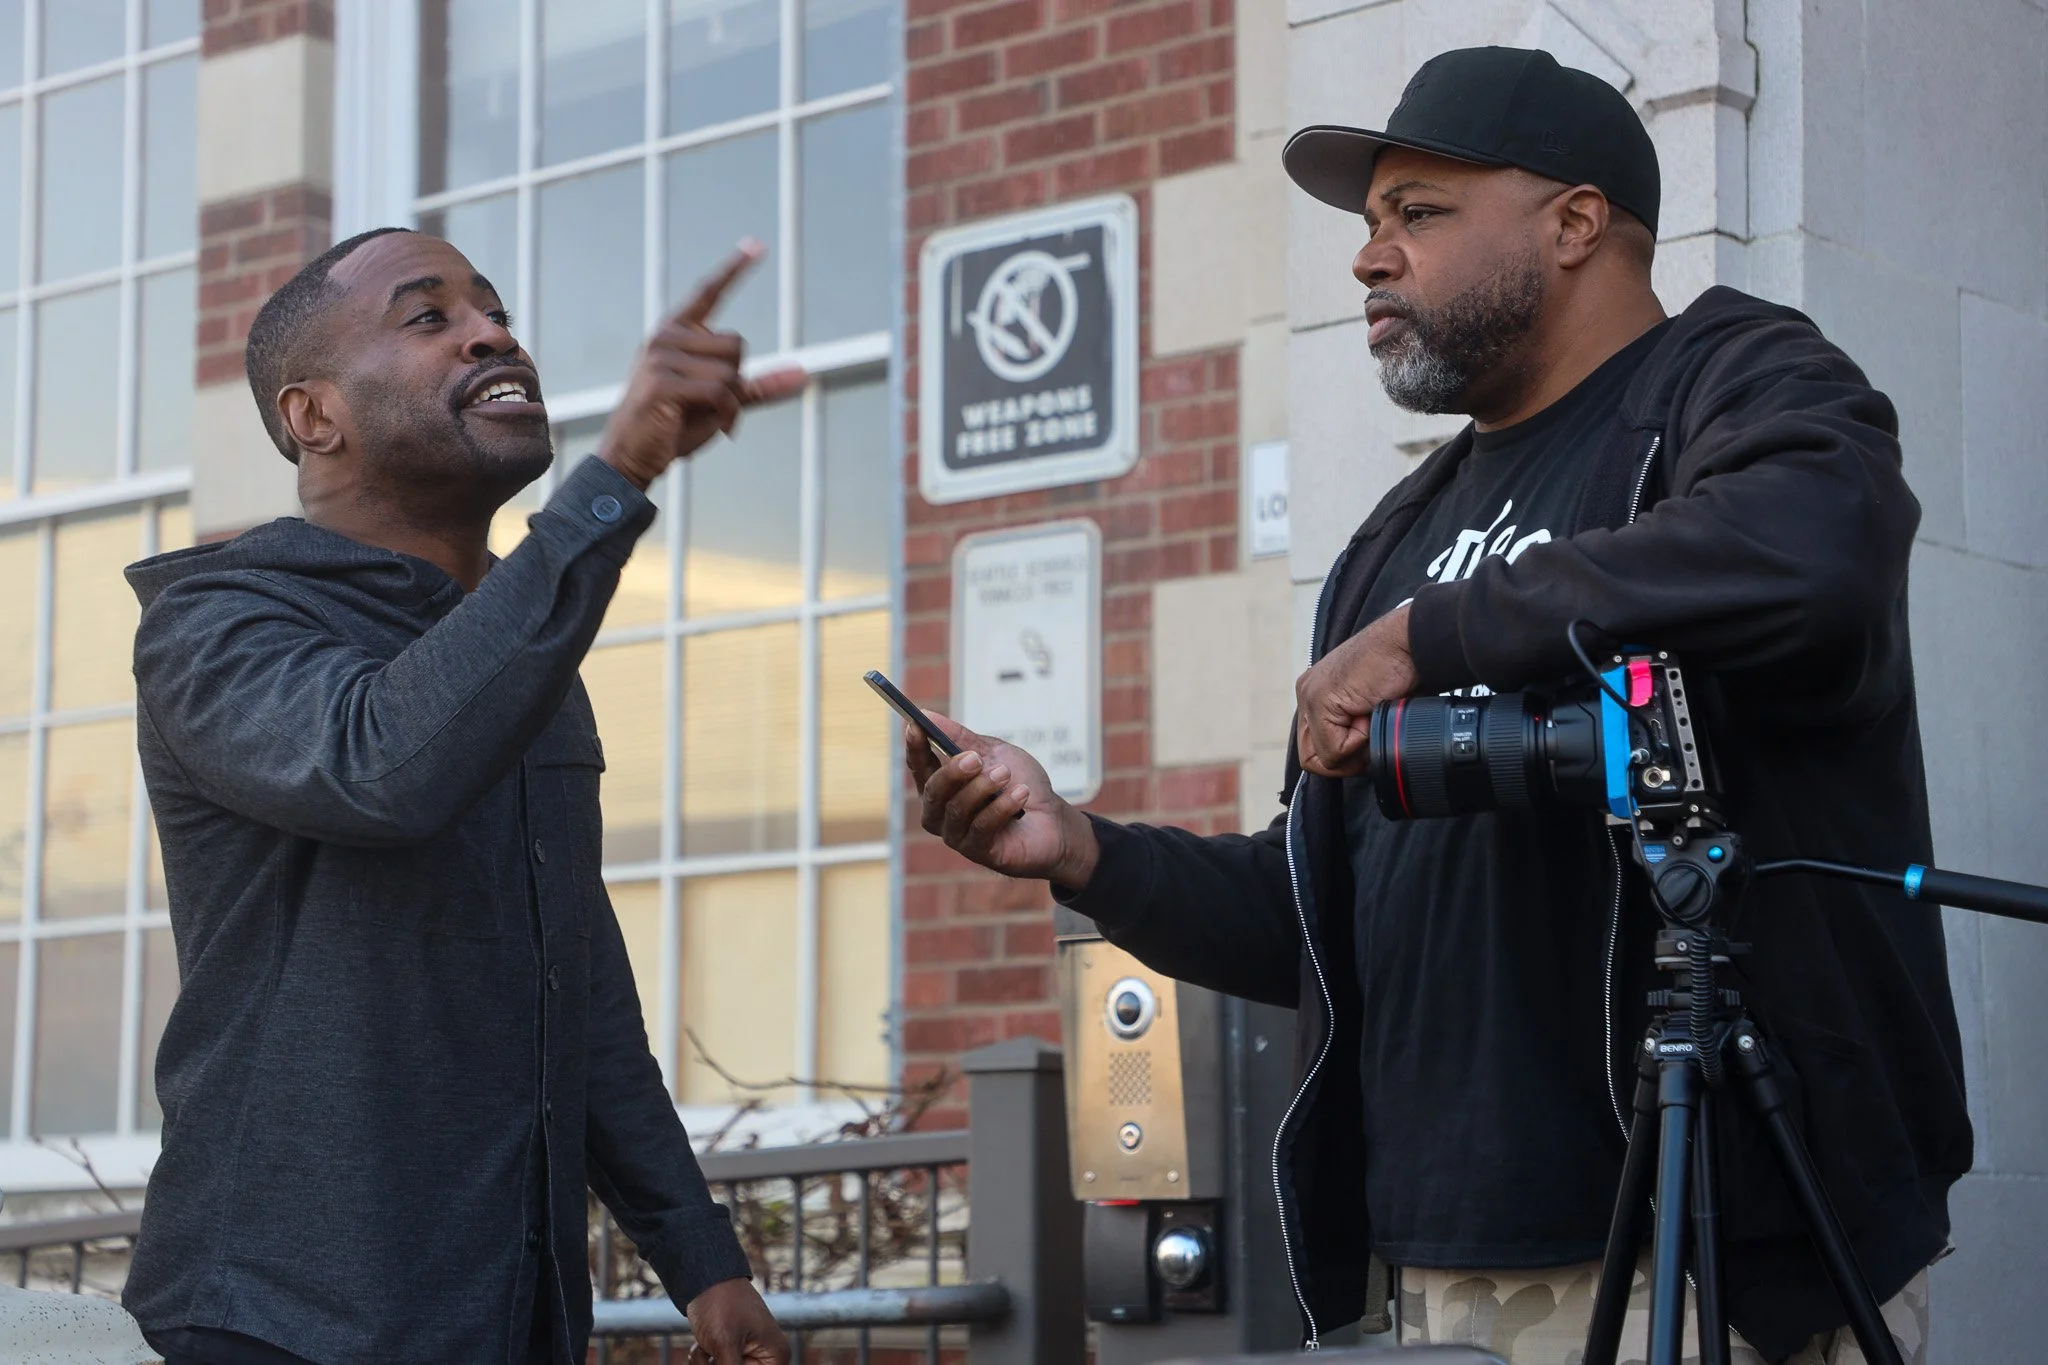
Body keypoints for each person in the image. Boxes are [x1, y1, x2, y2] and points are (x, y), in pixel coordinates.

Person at [907, 46, 1970, 1365]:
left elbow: (1811, 553)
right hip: (1425, 1276)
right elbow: (1318, 907)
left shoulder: (1729, 381)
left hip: (1706, 1250)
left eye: (1417, 213)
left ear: (1574, 223)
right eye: (1369, 224)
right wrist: (1082, 850)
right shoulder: (1392, 537)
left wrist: (1437, 635)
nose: (1369, 258)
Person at [121, 227, 801, 1365]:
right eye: (428, 317)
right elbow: (380, 768)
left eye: (496, 311)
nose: (491, 334)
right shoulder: (217, 621)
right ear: (314, 416)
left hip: (509, 1318)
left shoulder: (521, 644)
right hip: (282, 1321)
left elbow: (574, 982)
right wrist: (616, 476)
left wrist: (702, 1262)